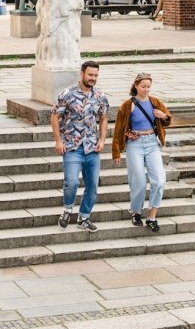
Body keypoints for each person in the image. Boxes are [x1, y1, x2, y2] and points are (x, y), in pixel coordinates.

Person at [52, 61, 110, 231]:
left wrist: (102, 139)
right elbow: (55, 116)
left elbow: (104, 117)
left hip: (92, 147)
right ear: (82, 73)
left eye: (96, 75)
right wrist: (58, 141)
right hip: (72, 146)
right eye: (90, 75)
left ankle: (84, 217)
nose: (93, 78)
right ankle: (67, 209)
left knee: (92, 185)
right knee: (71, 182)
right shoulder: (67, 94)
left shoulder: (100, 96)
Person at [113, 73, 173, 233]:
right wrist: (116, 152)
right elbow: (119, 128)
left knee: (159, 180)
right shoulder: (127, 105)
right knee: (138, 180)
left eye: (148, 86)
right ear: (136, 86)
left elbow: (168, 119)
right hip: (135, 144)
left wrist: (163, 116)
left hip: (152, 142)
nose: (146, 89)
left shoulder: (155, 102)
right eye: (143, 86)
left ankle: (152, 217)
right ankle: (136, 212)